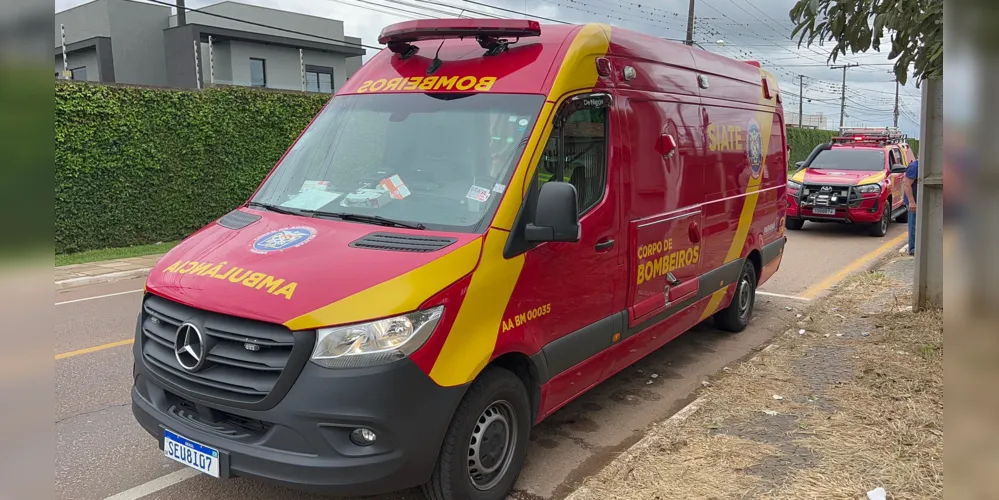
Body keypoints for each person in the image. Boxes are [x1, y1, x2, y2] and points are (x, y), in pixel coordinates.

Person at [902, 157, 919, 256]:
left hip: (919, 201)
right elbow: (907, 184)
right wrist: (912, 202)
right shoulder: (914, 167)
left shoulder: (922, 166)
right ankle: (913, 249)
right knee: (913, 225)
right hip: (914, 202)